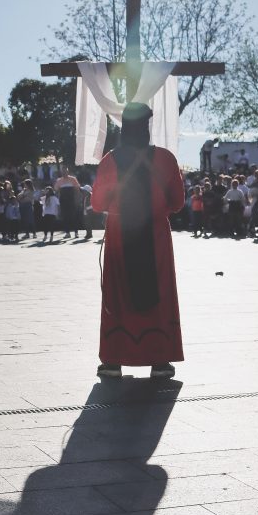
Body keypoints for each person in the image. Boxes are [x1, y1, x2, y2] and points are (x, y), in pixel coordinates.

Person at [91, 102, 185, 380]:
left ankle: (113, 361)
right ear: (146, 126)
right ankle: (160, 360)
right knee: (159, 292)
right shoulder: (165, 159)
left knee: (118, 295)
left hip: (121, 234)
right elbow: (177, 203)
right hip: (155, 235)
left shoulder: (110, 160)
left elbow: (97, 203)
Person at [54, 165, 81, 238]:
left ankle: (76, 232)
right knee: (65, 217)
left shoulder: (73, 179)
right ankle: (67, 232)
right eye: (63, 171)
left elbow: (77, 190)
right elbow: (56, 191)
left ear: (68, 171)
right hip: (63, 201)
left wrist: (77, 200)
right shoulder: (59, 180)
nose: (64, 172)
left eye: (65, 171)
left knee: (73, 216)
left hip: (72, 200)